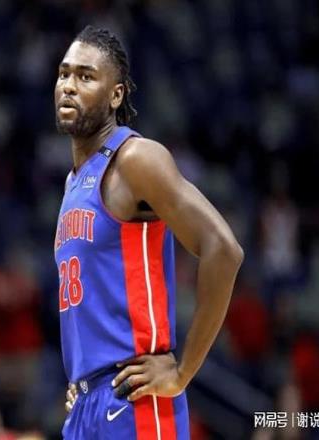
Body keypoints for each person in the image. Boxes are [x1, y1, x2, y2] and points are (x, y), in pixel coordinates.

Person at [54, 25, 243, 439]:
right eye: (64, 73)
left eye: (86, 76)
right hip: (88, 405)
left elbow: (223, 249)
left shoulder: (135, 159)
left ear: (116, 95)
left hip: (135, 401)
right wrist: (84, 384)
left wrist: (182, 372)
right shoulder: (73, 182)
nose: (68, 85)